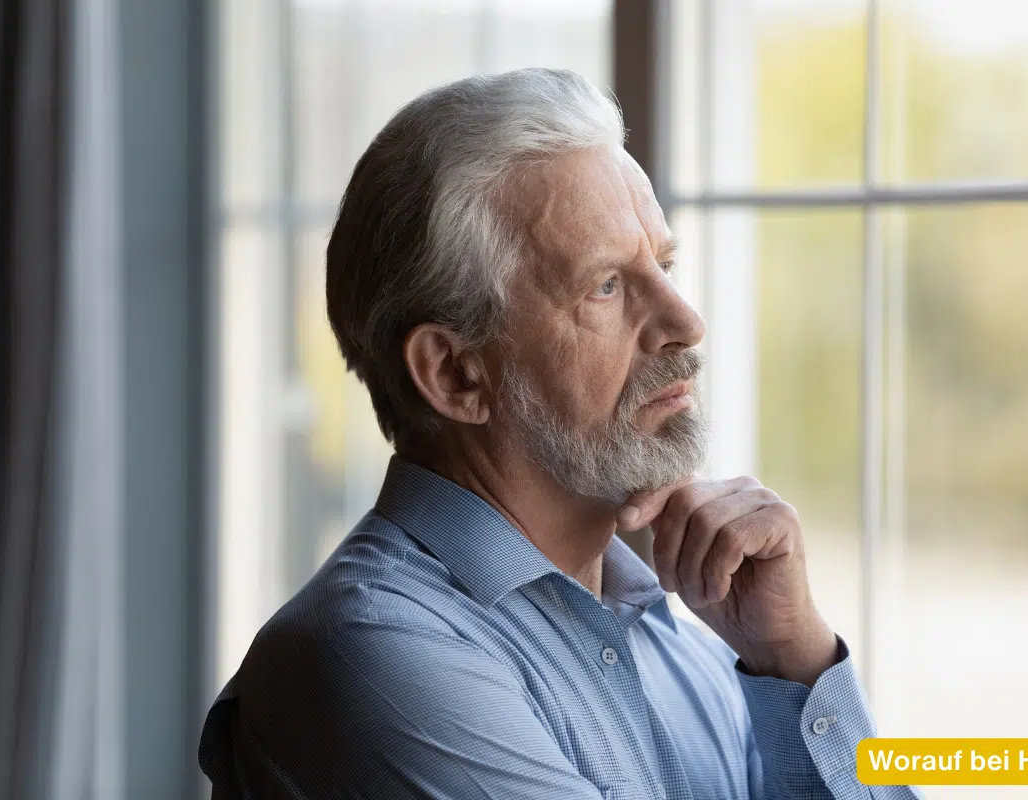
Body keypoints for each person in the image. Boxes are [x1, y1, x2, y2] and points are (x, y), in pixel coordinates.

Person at [199, 67, 920, 800]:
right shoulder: (368, 656)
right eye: (604, 286)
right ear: (455, 374)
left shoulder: (680, 641)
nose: (683, 323)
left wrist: (794, 661)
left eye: (663, 265)